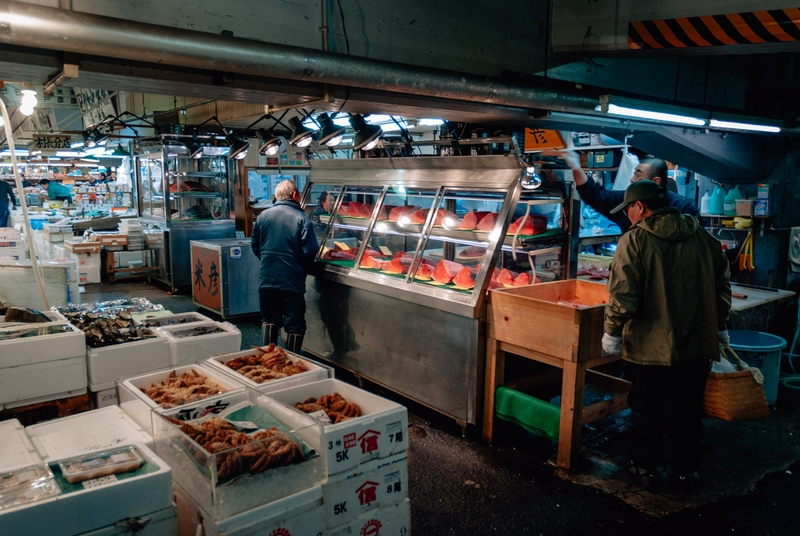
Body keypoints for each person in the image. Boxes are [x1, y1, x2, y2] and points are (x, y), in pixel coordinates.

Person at [601, 180, 731, 489]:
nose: (628, 216)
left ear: (640, 207)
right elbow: (722, 287)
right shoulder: (703, 237)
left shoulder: (634, 241)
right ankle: (685, 469)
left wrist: (611, 332)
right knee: (686, 408)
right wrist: (721, 324)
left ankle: (645, 466)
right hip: (696, 345)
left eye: (629, 209)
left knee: (648, 408)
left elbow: (624, 295)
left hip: (651, 347)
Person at [545, 150, 699, 233]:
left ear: (655, 182)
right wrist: (576, 168)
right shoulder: (627, 201)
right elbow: (597, 196)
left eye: (638, 174)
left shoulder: (685, 211)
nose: (632, 179)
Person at [251, 180, 319, 353]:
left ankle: (268, 359)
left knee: (270, 318)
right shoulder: (302, 218)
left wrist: (268, 262)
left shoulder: (263, 216)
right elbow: (310, 251)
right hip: (291, 280)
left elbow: (255, 246)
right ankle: (292, 361)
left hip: (267, 278)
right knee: (294, 322)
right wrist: (301, 268)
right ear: (295, 195)